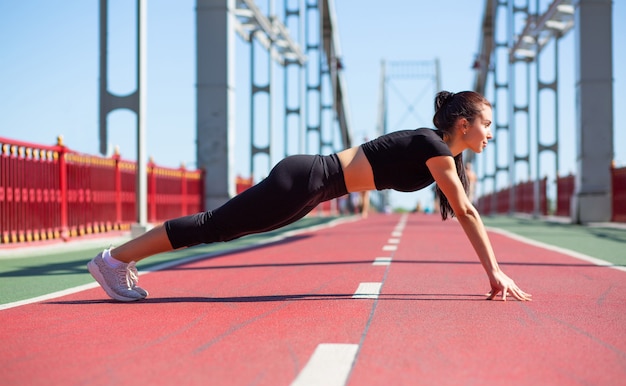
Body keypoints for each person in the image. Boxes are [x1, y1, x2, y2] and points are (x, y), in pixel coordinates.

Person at [87, 91, 531, 302]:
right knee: (215, 226)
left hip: (312, 190)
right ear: (463, 123)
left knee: (221, 229)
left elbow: (463, 204)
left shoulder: (442, 155)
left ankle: (118, 260)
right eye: (486, 124)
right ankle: (113, 260)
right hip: (305, 179)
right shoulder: (433, 147)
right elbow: (467, 211)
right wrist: (495, 272)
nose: (490, 133)